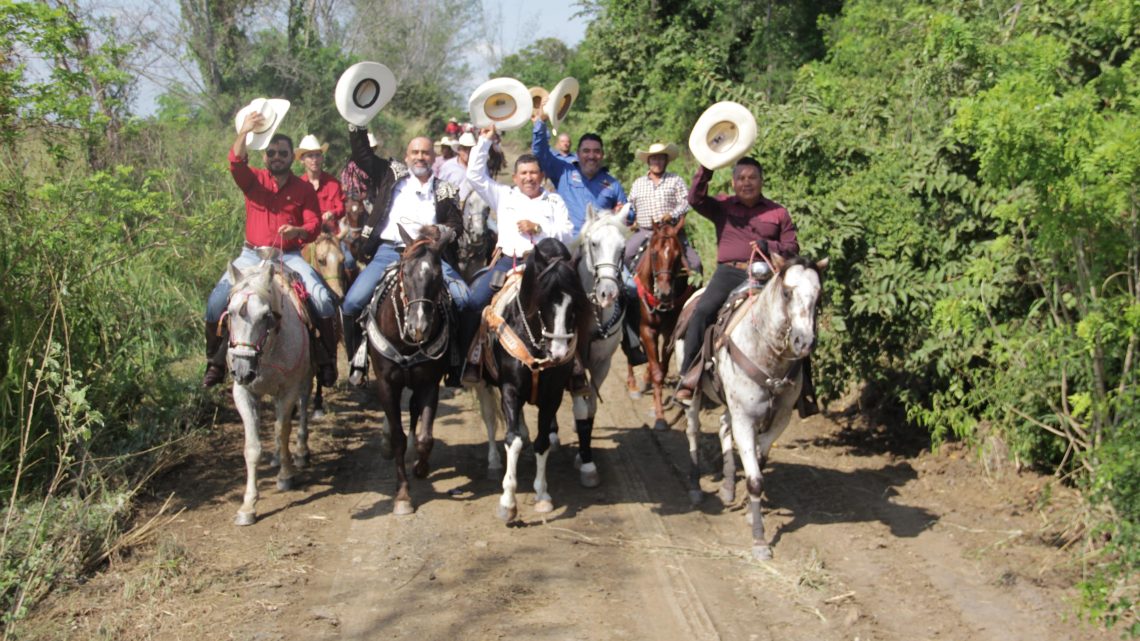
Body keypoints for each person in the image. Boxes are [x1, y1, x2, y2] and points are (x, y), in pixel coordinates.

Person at [203, 113, 339, 388]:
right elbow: (235, 161)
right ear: (265, 157)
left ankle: (326, 360)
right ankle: (215, 361)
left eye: (283, 153)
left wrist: (298, 231)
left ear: (292, 157)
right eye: (272, 152)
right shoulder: (253, 180)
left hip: (288, 256)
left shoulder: (303, 188)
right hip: (252, 255)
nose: (277, 156)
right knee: (216, 302)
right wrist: (244, 132)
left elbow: (313, 225)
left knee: (323, 298)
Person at [340, 125, 472, 385]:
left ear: (433, 158)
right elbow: (362, 154)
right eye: (415, 152)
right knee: (352, 302)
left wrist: (441, 230)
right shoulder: (391, 174)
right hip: (390, 251)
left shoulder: (445, 188)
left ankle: (457, 361)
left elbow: (456, 225)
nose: (420, 157)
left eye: (425, 152)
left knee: (465, 300)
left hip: (429, 255)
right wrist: (357, 121)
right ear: (407, 155)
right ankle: (357, 359)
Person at [673, 157, 799, 404]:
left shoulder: (777, 212)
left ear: (762, 181)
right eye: (741, 178)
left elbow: (792, 247)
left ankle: (801, 390)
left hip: (769, 277)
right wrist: (707, 166)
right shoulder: (723, 206)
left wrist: (768, 245)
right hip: (729, 273)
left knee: (798, 321)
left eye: (752, 177)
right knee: (702, 312)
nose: (746, 183)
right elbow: (695, 199)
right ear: (733, 182)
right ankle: (688, 378)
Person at [460, 126, 574, 384]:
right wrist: (486, 140)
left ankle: (575, 366)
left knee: (573, 304)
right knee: (474, 303)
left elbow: (568, 234)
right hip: (508, 262)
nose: (529, 177)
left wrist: (540, 229)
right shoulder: (503, 195)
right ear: (515, 176)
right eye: (523, 173)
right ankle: (470, 360)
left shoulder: (555, 202)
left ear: (542, 176)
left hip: (547, 266)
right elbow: (475, 175)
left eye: (534, 172)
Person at [532, 111, 626, 236]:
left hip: (599, 246)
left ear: (602, 155)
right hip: (567, 243)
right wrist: (541, 122)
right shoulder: (563, 171)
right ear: (578, 153)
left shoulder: (613, 184)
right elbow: (540, 153)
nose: (591, 156)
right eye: (586, 151)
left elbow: (628, 214)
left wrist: (622, 213)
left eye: (596, 151)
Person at [623, 142, 702, 273]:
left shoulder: (675, 180)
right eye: (654, 158)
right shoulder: (638, 183)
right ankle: (627, 291)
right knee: (625, 255)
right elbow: (630, 205)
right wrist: (631, 221)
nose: (657, 162)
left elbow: (686, 202)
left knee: (695, 263)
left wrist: (672, 214)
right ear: (649, 161)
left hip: (670, 231)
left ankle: (696, 292)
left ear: (666, 161)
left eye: (661, 158)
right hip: (645, 230)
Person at [296, 134, 345, 233]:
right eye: (310, 156)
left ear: (322, 158)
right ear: (302, 160)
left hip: (330, 236)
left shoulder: (333, 184)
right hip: (306, 236)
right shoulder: (297, 186)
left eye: (317, 155)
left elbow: (341, 208)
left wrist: (332, 213)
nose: (315, 159)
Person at [436, 131, 479, 202]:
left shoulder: (479, 167)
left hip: (475, 209)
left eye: (471, 149)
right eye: (465, 149)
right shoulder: (448, 166)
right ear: (459, 150)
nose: (468, 152)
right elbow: (440, 190)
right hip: (453, 208)